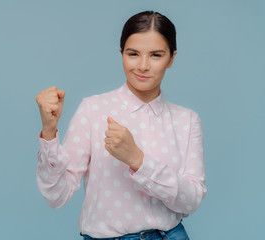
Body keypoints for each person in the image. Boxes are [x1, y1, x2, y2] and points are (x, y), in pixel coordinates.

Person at [36, 11, 206, 240]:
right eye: (133, 53)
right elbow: (57, 196)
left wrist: (137, 159)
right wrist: (49, 133)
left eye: (156, 55)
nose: (143, 65)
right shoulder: (93, 110)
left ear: (171, 58)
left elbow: (192, 201)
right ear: (121, 54)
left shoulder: (186, 120)